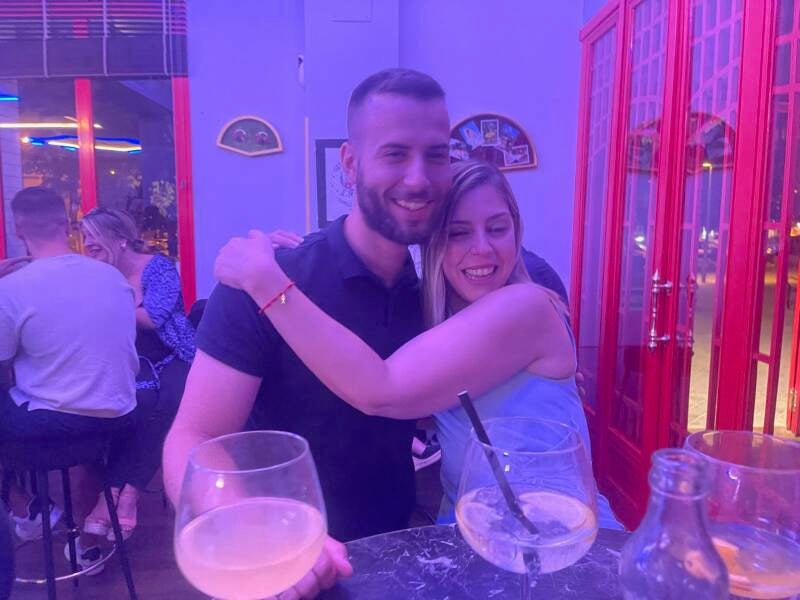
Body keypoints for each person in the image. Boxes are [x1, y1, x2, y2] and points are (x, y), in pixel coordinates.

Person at [214, 159, 620, 528]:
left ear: (517, 231)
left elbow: (381, 390)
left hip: (557, 538)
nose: (482, 247)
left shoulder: (526, 306)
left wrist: (266, 281)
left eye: (497, 228)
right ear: (432, 243)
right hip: (472, 535)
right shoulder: (435, 318)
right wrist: (296, 264)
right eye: (458, 233)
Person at [0, 187, 138, 572]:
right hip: (119, 415)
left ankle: (26, 508)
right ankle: (86, 542)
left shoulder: (11, 288)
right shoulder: (112, 277)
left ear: (18, 230)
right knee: (74, 402)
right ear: (66, 225)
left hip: (54, 425)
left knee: (51, 403)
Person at [80, 207, 195, 540]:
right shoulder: (96, 274)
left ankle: (124, 494)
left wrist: (108, 301)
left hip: (174, 355)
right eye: (84, 236)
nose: (87, 243)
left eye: (94, 235)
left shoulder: (158, 267)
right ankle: (115, 492)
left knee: (168, 401)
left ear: (120, 238)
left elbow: (152, 318)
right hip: (128, 361)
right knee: (133, 406)